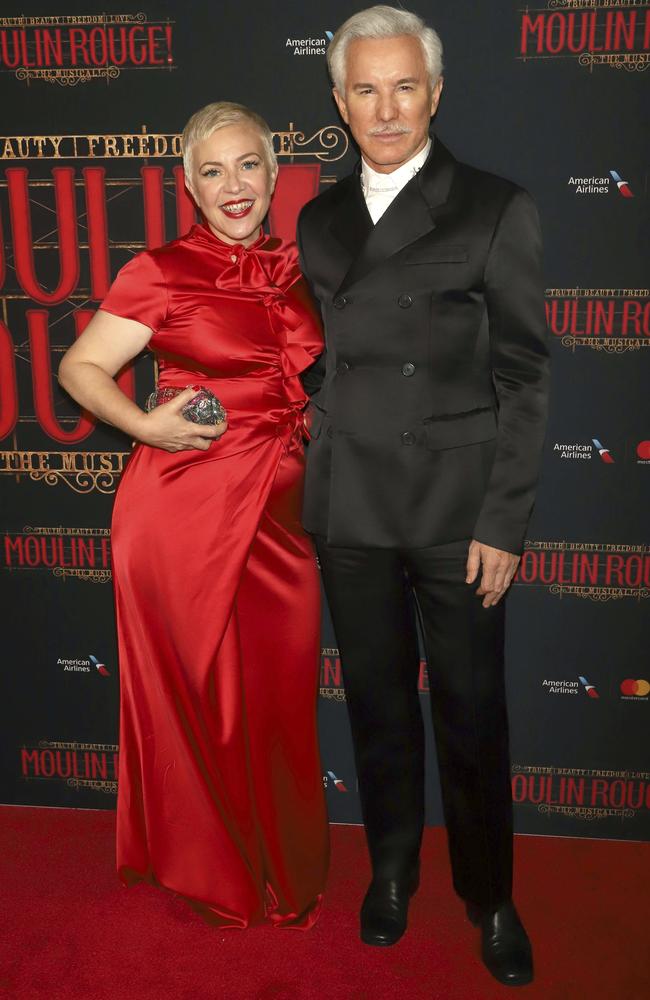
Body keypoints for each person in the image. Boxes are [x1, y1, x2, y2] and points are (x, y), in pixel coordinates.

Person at [297, 6, 549, 985]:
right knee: (374, 706)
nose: (386, 107)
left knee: (472, 710)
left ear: (435, 93)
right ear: (338, 102)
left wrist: (503, 519)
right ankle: (392, 868)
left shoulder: (493, 206)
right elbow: (314, 358)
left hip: (456, 513)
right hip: (352, 506)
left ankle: (488, 894)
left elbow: (524, 377)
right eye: (365, 88)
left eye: (405, 86)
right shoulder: (316, 220)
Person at [58, 101, 328, 929]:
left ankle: (281, 859)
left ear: (275, 174)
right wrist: (145, 424)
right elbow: (81, 366)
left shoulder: (302, 264)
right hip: (184, 511)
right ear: (189, 186)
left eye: (248, 165)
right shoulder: (162, 270)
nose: (233, 185)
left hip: (282, 516)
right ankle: (216, 868)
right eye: (212, 172)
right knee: (204, 695)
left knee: (278, 691)